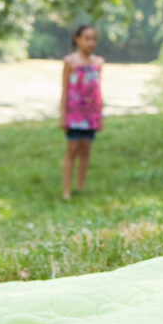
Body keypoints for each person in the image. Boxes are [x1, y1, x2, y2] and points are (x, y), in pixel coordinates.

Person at [59, 24, 103, 200]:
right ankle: (66, 190)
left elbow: (98, 90)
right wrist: (63, 114)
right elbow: (64, 90)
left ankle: (79, 187)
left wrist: (100, 115)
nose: (91, 42)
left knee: (86, 149)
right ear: (77, 39)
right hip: (74, 113)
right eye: (87, 38)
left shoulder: (98, 63)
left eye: (93, 39)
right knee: (72, 150)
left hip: (91, 113)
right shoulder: (70, 62)